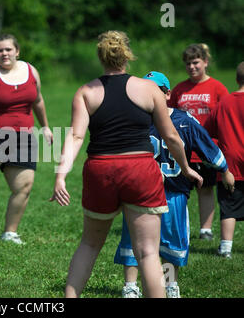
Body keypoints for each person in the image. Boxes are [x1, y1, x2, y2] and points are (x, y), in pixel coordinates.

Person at [50, 31, 202, 298]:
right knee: (147, 252)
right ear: (127, 56)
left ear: (100, 57)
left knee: (89, 244)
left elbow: (75, 136)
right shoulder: (149, 89)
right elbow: (171, 136)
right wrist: (186, 168)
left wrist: (61, 175)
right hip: (140, 170)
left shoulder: (86, 91)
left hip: (101, 170)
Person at [114, 71, 235, 298]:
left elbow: (208, 146)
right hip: (139, 192)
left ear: (167, 94)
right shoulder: (133, 120)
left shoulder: (184, 121)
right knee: (133, 237)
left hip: (173, 192)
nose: (148, 95)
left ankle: (170, 285)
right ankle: (130, 286)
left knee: (171, 242)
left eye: (155, 90)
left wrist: (225, 170)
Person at [0, 33, 53, 244]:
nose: (4, 53)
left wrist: (46, 127)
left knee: (24, 186)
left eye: (8, 49)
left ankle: (10, 232)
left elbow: (38, 101)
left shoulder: (31, 71)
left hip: (22, 136)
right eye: (0, 50)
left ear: (17, 51)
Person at [168, 43, 229, 240]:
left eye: (196, 62)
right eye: (188, 64)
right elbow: (167, 114)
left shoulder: (217, 88)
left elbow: (225, 116)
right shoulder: (179, 90)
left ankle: (206, 229)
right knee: (180, 190)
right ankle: (179, 228)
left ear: (205, 62)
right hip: (182, 148)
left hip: (206, 147)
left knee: (206, 188)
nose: (192, 67)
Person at [204, 61, 244, 259]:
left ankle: (226, 248)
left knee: (229, 207)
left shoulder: (223, 103)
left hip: (230, 166)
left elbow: (208, 131)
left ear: (237, 80)